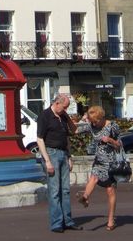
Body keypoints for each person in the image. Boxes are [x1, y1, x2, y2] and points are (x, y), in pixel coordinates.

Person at [37, 94, 83, 233]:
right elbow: (39, 139)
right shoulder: (45, 116)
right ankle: (57, 223)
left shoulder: (63, 116)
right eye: (64, 107)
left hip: (63, 153)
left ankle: (67, 220)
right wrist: (47, 161)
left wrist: (69, 157)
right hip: (51, 153)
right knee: (55, 191)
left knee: (66, 190)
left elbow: (73, 132)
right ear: (57, 103)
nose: (65, 110)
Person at [75, 105, 121, 231]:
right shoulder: (91, 126)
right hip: (99, 160)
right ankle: (85, 197)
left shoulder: (113, 126)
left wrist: (110, 140)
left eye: (95, 121)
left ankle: (111, 220)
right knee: (94, 177)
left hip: (111, 163)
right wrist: (81, 120)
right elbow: (75, 130)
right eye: (92, 122)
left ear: (101, 118)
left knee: (110, 191)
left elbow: (119, 145)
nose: (94, 124)